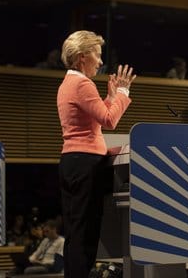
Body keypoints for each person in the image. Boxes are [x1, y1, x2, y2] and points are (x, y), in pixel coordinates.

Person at [57, 30, 135, 278]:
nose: (101, 62)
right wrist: (122, 93)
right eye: (97, 55)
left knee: (76, 233)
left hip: (72, 162)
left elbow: (93, 121)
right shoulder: (81, 83)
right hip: (86, 164)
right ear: (82, 57)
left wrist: (110, 97)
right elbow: (109, 120)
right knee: (86, 235)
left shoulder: (67, 83)